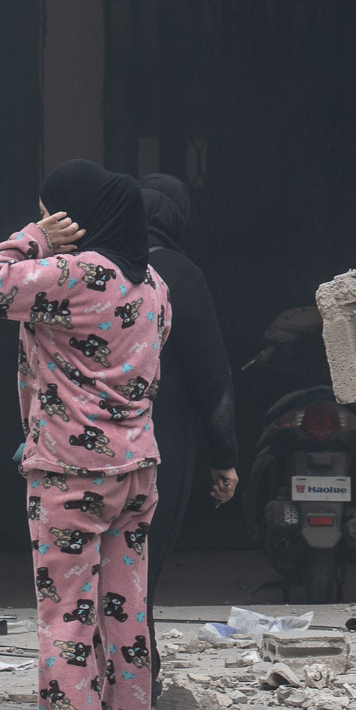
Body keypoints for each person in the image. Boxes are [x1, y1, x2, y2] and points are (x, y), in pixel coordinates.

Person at [0, 160, 172, 710]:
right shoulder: (153, 284)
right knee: (127, 617)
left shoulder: (73, 276)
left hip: (70, 475)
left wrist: (34, 238)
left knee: (68, 621)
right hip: (137, 468)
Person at [137, 173, 238, 604]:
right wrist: (224, 457)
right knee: (142, 560)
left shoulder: (91, 270)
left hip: (85, 439)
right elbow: (211, 376)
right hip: (160, 439)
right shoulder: (180, 275)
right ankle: (136, 647)